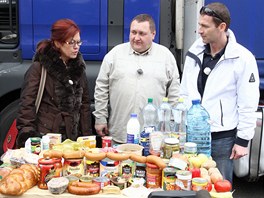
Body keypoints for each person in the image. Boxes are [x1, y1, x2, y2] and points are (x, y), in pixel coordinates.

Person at [180, 2, 259, 183]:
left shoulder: (243, 58)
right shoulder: (195, 51)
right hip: (192, 134)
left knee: (219, 186)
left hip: (222, 137)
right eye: (199, 24)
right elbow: (184, 91)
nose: (199, 30)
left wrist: (242, 141)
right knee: (190, 184)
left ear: (222, 27)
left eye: (205, 26)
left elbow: (248, 102)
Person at [93, 14, 180, 144]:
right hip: (120, 134)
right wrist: (100, 118)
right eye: (133, 32)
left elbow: (174, 94)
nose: (136, 38)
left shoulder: (166, 57)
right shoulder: (114, 55)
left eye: (142, 33)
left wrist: (172, 125)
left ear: (153, 34)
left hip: (154, 139)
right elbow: (101, 89)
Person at [16, 19, 92, 148]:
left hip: (71, 140)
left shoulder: (78, 69)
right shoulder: (39, 68)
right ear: (57, 43)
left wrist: (87, 139)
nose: (76, 47)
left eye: (78, 42)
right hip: (45, 139)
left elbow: (84, 107)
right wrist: (29, 138)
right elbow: (27, 105)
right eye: (71, 42)